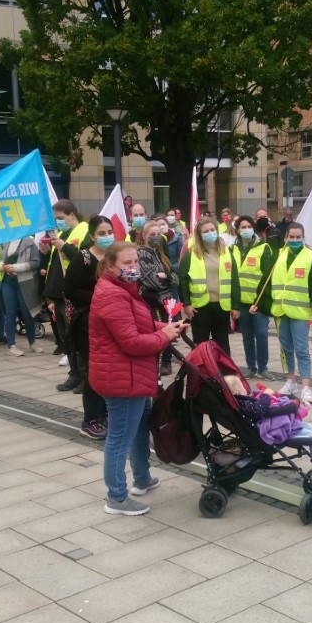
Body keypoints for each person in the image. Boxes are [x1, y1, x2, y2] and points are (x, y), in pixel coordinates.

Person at [89, 241, 186, 516]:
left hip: (131, 374)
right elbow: (131, 341)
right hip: (123, 378)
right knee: (120, 438)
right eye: (127, 263)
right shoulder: (112, 294)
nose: (134, 268)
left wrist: (164, 327)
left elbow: (138, 324)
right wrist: (163, 336)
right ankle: (116, 497)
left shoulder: (124, 290)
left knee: (140, 427)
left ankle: (142, 478)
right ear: (109, 266)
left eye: (136, 262)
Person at [65, 215, 115, 438]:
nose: (106, 237)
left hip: (113, 322)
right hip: (88, 322)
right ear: (93, 235)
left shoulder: (115, 257)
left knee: (110, 370)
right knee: (94, 370)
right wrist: (100, 296)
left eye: (109, 232)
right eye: (101, 234)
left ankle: (106, 414)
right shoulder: (83, 258)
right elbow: (71, 290)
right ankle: (91, 419)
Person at [271, 222, 312, 403]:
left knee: (301, 350)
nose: (294, 240)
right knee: (286, 349)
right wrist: (259, 303)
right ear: (285, 238)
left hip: (300, 311)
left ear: (303, 238)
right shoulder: (278, 256)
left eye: (298, 237)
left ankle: (306, 387)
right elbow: (268, 281)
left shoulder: (311, 257)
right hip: (280, 310)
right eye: (291, 237)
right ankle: (290, 381)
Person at [179, 217, 238, 354]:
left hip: (221, 305)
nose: (210, 233)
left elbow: (234, 280)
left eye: (212, 230)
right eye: (205, 231)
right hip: (200, 307)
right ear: (199, 235)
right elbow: (182, 279)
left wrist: (235, 306)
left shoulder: (226, 252)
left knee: (222, 342)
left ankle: (224, 372)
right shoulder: (190, 253)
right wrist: (186, 303)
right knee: (201, 343)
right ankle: (202, 373)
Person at [46, 200, 88, 389]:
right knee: (67, 338)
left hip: (75, 294)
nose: (58, 222)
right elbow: (55, 266)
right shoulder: (62, 233)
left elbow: (83, 259)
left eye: (61, 218)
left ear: (72, 214)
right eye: (56, 219)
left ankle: (85, 375)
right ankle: (74, 374)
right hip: (60, 294)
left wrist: (64, 246)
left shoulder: (84, 230)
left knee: (79, 338)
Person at [231, 215, 276, 379]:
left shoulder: (264, 248)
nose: (246, 230)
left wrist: (261, 301)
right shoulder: (232, 249)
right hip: (241, 302)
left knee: (262, 334)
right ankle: (251, 367)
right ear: (237, 230)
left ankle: (263, 367)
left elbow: (268, 278)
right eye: (242, 227)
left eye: (248, 226)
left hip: (258, 302)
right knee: (247, 336)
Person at [138, 219, 180, 376]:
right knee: (156, 331)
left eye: (158, 234)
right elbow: (153, 281)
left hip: (167, 300)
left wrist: (167, 276)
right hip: (151, 299)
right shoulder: (141, 254)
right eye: (152, 234)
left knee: (169, 331)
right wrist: (167, 278)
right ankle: (156, 362)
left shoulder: (161, 253)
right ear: (144, 236)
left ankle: (166, 362)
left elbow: (176, 279)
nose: (156, 237)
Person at [0, 235, 45, 356]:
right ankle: (11, 345)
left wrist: (16, 267)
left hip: (25, 283)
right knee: (10, 313)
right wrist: (1, 264)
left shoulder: (29, 241)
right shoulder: (6, 241)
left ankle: (32, 343)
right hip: (8, 282)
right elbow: (2, 258)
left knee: (28, 312)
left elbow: (36, 262)